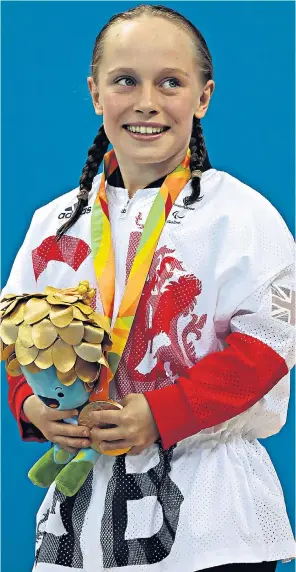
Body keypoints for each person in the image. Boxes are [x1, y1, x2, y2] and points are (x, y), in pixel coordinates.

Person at [2, 4, 295, 572]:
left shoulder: (241, 217)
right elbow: (16, 340)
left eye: (170, 82)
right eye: (125, 81)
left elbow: (270, 342)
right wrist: (33, 405)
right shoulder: (53, 222)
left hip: (213, 514)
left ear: (203, 97)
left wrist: (163, 412)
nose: (146, 101)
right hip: (80, 513)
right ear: (95, 93)